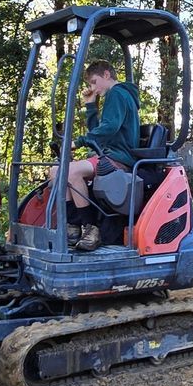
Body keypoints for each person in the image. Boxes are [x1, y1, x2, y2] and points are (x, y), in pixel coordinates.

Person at [66, 61, 141, 252]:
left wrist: (79, 141)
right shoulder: (116, 95)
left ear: (106, 75)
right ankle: (72, 228)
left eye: (93, 82)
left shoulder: (117, 93)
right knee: (55, 172)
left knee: (70, 172)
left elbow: (110, 128)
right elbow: (99, 132)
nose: (92, 88)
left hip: (119, 158)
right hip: (106, 154)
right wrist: (90, 106)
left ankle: (91, 229)